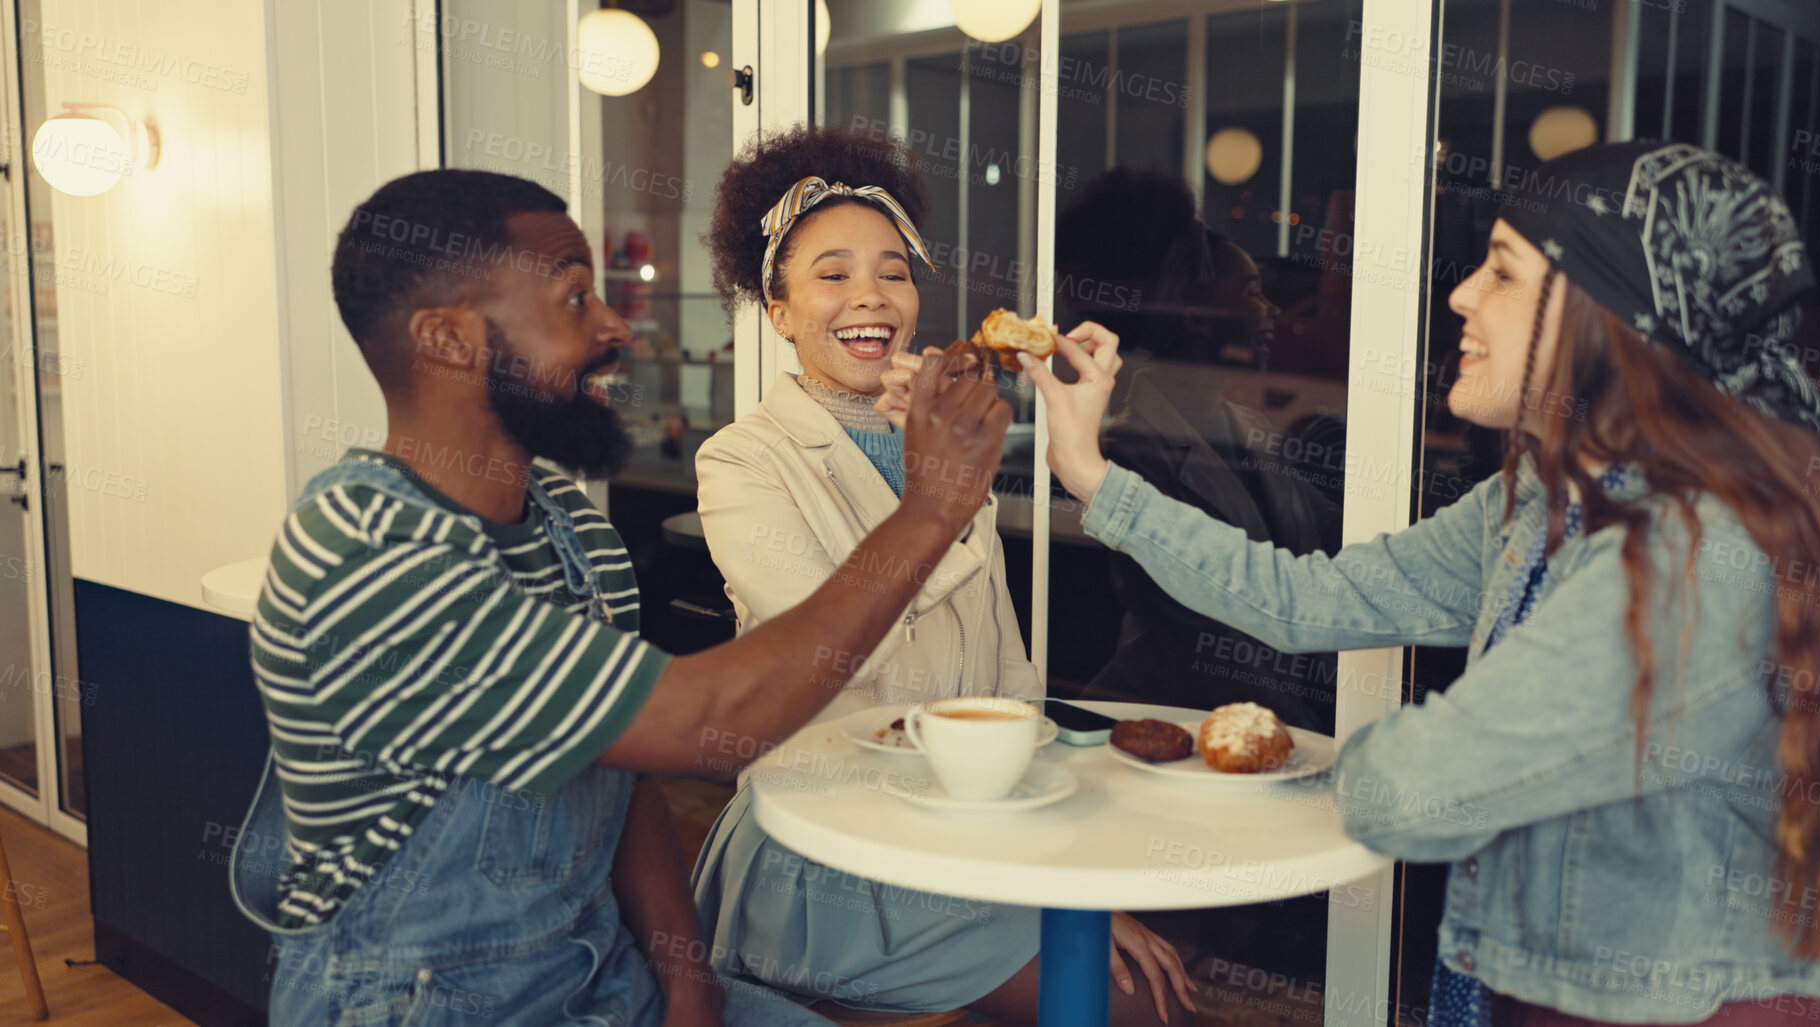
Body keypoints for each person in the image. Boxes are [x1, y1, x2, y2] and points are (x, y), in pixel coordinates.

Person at [1020, 142, 1820, 1024]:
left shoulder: (1691, 550)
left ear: (1609, 316)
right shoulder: (1542, 493)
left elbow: (1414, 789)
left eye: (1499, 271)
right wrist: (1092, 473)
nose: (1458, 293)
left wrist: (1302, 762)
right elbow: (1307, 599)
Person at [232, 168, 1012, 1026]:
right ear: (449, 340)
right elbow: (700, 721)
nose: (615, 326)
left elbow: (627, 771)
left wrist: (687, 984)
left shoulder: (567, 526)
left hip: (603, 979)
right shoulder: (368, 552)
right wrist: (932, 507)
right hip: (420, 1002)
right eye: (573, 302)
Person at [684, 123, 1196, 1027]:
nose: (869, 296)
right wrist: (939, 488)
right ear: (777, 309)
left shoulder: (949, 437)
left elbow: (1006, 674)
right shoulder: (742, 460)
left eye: (892, 271)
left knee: (1149, 1004)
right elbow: (834, 639)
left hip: (970, 826)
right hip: (828, 852)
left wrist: (1071, 884)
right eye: (830, 274)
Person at [1051, 169, 1342, 733]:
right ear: (1196, 314)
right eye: (1254, 292)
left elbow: (1327, 536)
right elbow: (1197, 632)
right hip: (1175, 723)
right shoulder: (1129, 452)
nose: (1273, 312)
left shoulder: (1251, 428)